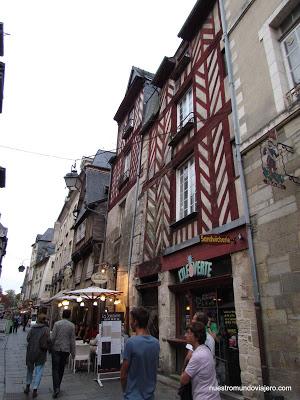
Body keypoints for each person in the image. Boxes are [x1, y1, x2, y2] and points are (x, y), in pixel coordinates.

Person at [120, 307, 160, 400]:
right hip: (150, 395)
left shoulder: (131, 343)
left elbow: (123, 374)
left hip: (132, 396)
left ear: (136, 322)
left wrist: (126, 392)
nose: (129, 323)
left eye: (131, 320)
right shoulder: (156, 343)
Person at [180, 322, 220, 400]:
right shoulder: (206, 349)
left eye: (188, 333)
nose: (185, 335)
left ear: (197, 337)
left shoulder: (197, 356)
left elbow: (183, 380)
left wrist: (184, 366)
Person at [51, 309, 75, 398]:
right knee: (61, 369)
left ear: (62, 315)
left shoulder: (57, 324)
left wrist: (50, 347)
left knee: (55, 369)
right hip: (65, 350)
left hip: (56, 349)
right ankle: (58, 386)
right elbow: (72, 340)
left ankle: (56, 388)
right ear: (69, 316)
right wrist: (73, 353)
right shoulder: (72, 326)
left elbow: (53, 337)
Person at [24, 313, 50, 398]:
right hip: (41, 352)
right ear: (45, 320)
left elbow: (28, 338)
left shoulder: (32, 328)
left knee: (30, 370)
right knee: (39, 371)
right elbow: (48, 341)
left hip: (31, 351)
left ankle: (28, 386)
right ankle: (35, 389)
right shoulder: (46, 329)